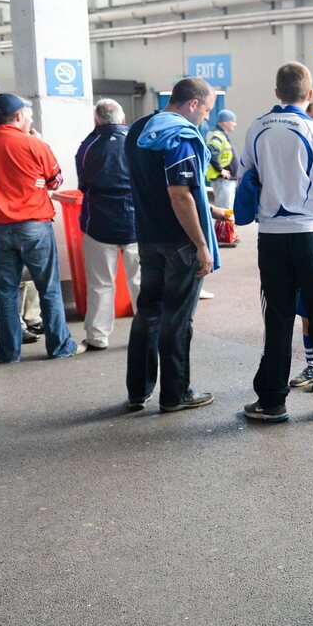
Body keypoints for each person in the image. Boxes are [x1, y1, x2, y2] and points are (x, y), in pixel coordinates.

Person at [239, 61, 313, 421]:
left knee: (277, 316)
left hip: (271, 236)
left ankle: (272, 401)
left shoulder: (256, 128)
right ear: (310, 94)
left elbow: (248, 179)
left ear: (277, 92)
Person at [124, 77, 231, 413]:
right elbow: (179, 193)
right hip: (180, 242)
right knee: (178, 318)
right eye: (206, 111)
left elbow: (162, 186)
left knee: (148, 312)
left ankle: (138, 390)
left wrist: (208, 208)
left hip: (148, 235)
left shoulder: (139, 130)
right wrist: (201, 244)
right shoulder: (180, 136)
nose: (205, 119)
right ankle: (176, 393)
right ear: (193, 104)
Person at [0, 92, 84, 363]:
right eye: (28, 114)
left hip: (0, 230)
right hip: (34, 227)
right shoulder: (34, 144)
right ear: (18, 116)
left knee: (6, 291)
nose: (30, 119)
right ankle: (59, 347)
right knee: (49, 289)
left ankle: (8, 352)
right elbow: (55, 182)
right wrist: (39, 146)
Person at [75, 98, 140, 351]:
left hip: (98, 222)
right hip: (136, 222)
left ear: (97, 120)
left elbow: (83, 183)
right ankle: (148, 333)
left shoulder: (88, 146)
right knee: (141, 282)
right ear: (122, 119)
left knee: (101, 283)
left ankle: (97, 336)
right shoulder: (137, 142)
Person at [206, 109, 238, 210]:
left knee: (227, 208)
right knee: (224, 209)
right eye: (233, 121)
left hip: (226, 180)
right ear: (224, 122)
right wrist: (220, 170)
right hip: (222, 179)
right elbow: (211, 152)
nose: (235, 124)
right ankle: (222, 226)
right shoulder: (218, 136)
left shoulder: (223, 135)